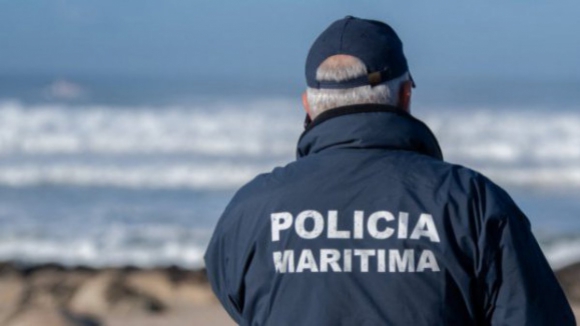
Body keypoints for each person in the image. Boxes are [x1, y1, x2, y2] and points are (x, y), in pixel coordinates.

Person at [204, 16, 575, 326]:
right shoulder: (470, 201)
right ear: (405, 95)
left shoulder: (252, 209)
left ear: (308, 104)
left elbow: (238, 300)